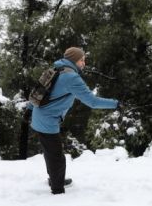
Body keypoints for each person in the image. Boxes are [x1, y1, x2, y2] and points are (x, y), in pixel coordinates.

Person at [26, 47, 119, 195]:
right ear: (74, 60)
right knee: (56, 156)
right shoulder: (71, 77)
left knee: (51, 153)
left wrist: (29, 108)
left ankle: (54, 179)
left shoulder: (56, 68)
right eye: (82, 60)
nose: (84, 63)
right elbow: (93, 102)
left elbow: (39, 90)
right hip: (47, 121)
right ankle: (57, 189)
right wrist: (116, 104)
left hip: (40, 115)